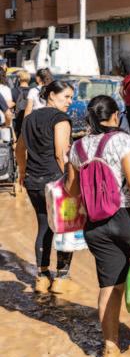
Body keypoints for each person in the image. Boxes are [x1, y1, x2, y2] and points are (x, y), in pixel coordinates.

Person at [65, 95, 130, 357]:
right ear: (115, 115)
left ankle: (109, 349)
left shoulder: (78, 147)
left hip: (95, 224)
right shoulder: (122, 141)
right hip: (128, 217)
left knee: (110, 285)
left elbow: (72, 190)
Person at [15, 80, 75, 294]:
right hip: (56, 181)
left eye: (71, 97)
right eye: (66, 96)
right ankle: (61, 278)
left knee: (44, 226)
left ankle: (42, 277)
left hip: (33, 181)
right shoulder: (61, 119)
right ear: (51, 95)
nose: (70, 101)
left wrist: (22, 173)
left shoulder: (29, 118)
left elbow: (19, 148)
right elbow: (61, 154)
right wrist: (70, 181)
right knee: (65, 227)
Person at [11, 69, 32, 135]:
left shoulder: (13, 91)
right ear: (29, 79)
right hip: (30, 122)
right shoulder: (33, 91)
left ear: (19, 79)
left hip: (17, 122)